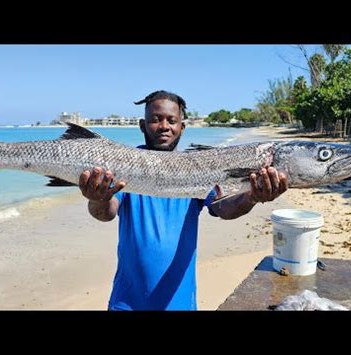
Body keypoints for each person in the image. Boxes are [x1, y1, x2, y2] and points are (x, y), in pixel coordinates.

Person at [79, 90, 288, 310]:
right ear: (142, 125)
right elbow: (105, 213)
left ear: (182, 127)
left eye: (172, 120)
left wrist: (251, 197)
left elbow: (224, 208)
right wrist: (97, 199)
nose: (164, 126)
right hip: (126, 303)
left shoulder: (198, 168)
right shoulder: (124, 165)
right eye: (155, 119)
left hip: (180, 304)